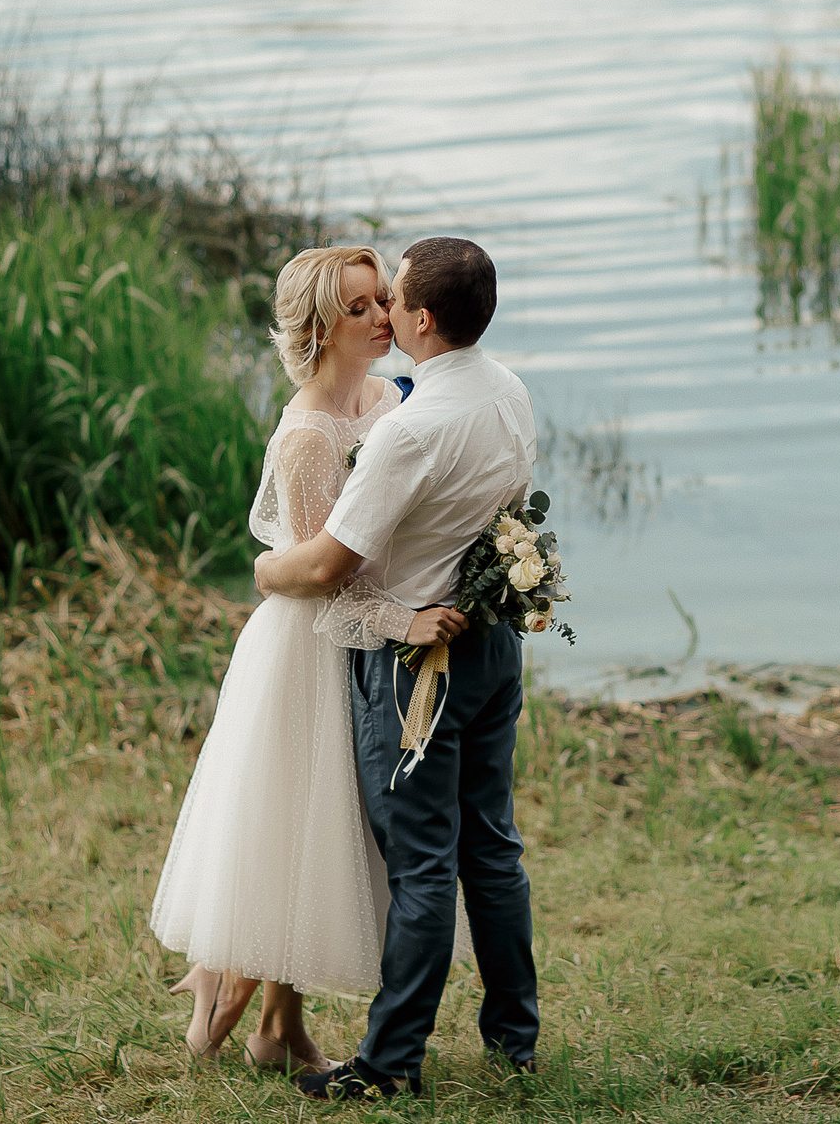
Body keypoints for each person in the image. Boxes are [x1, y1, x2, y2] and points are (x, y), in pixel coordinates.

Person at [147, 246, 467, 1070]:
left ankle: (277, 1029)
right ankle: (226, 1012)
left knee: (334, 831)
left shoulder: (391, 395)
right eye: (360, 307)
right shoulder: (307, 437)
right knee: (295, 827)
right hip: (312, 647)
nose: (382, 317)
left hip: (359, 643)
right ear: (323, 328)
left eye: (382, 300)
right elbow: (325, 581)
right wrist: (404, 622)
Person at [254, 236, 542, 1100]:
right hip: (495, 644)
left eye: (392, 298)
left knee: (422, 865)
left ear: (419, 318)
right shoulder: (508, 389)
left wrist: (268, 568)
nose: (382, 312)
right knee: (492, 847)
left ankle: (387, 1064)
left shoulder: (408, 428)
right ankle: (514, 1040)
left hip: (422, 663)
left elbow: (333, 563)